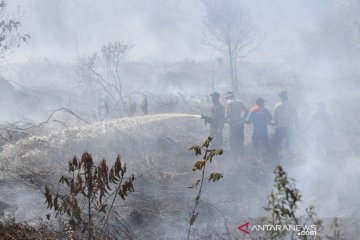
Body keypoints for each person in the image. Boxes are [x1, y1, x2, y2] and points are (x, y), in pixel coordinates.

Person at [271, 91, 298, 160]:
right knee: (289, 142)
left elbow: (275, 116)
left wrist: (276, 124)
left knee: (276, 143)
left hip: (280, 127)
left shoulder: (277, 105)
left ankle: (275, 157)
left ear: (281, 98)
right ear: (287, 97)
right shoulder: (292, 105)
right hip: (289, 127)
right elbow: (295, 116)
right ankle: (290, 157)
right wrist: (297, 125)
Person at [225, 91, 249, 159]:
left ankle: (235, 156)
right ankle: (241, 156)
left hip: (233, 125)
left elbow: (227, 115)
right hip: (240, 124)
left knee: (233, 140)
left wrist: (224, 120)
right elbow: (247, 111)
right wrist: (243, 119)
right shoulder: (239, 102)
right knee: (240, 139)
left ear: (228, 97)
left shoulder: (229, 103)